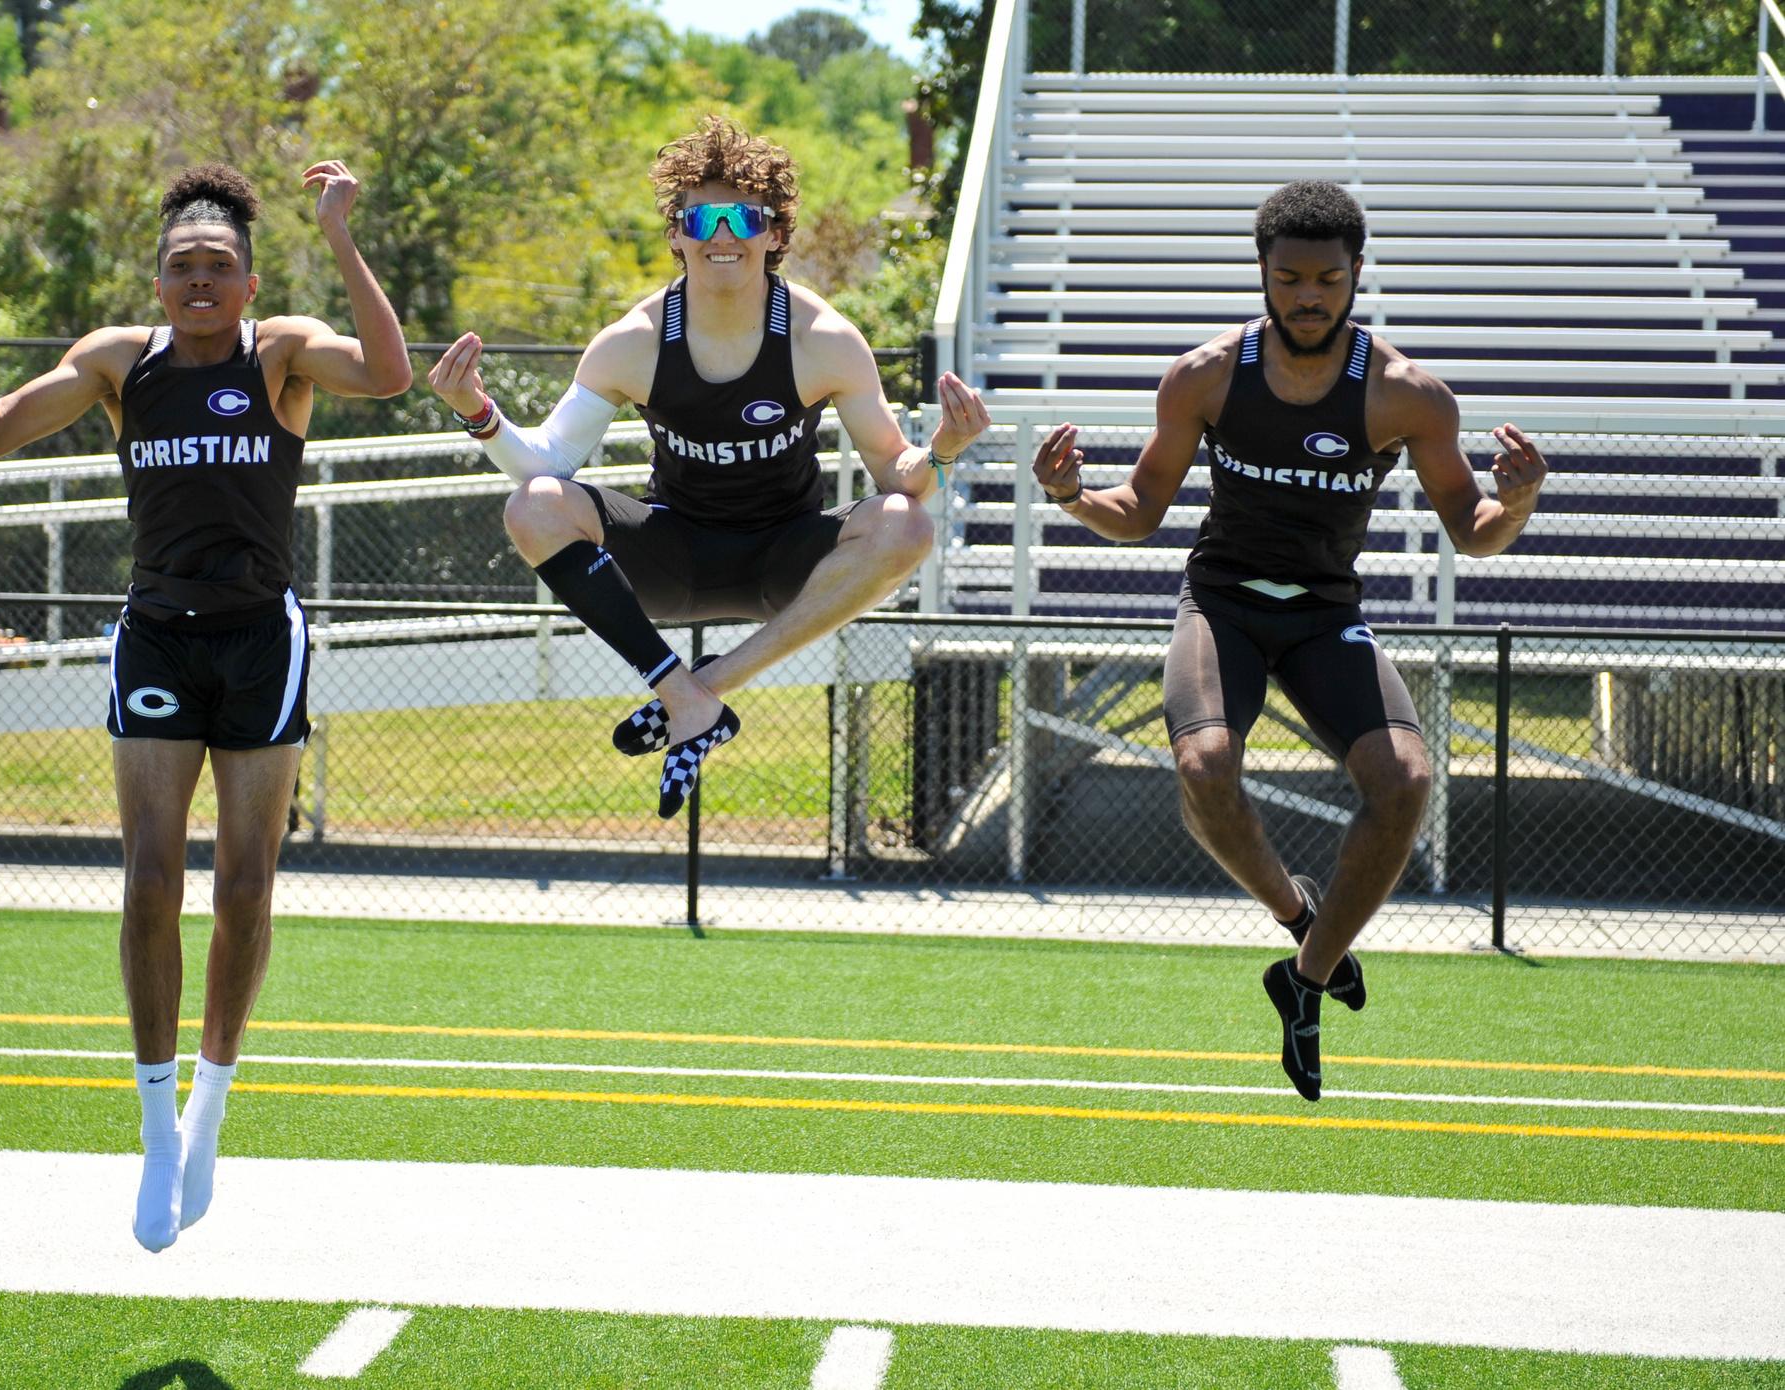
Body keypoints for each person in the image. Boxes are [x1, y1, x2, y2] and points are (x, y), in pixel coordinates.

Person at [0, 161, 411, 1248]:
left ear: (248, 284)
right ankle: (153, 1126)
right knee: (150, 879)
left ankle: (208, 1113)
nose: (199, 280)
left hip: (260, 639)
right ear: (158, 283)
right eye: (181, 266)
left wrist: (340, 234)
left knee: (244, 884)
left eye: (218, 266)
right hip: (157, 633)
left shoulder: (279, 352)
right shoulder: (119, 361)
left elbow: (387, 375)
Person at [1032, 180, 1546, 1101]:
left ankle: (1303, 980)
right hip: (1221, 606)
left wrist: (1516, 504)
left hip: (1323, 615)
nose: (1308, 296)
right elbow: (1139, 510)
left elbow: (1472, 532)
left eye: (1327, 280)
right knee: (1203, 767)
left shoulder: (1407, 395)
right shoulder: (1203, 377)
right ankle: (1297, 914)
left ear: (1357, 274)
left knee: (1405, 782)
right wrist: (1071, 496)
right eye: (1289, 278)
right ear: (1262, 274)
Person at [427, 115, 989, 817]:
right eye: (703, 219)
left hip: (787, 565)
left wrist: (943, 451)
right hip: (673, 562)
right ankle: (681, 693)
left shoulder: (824, 340)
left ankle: (701, 694)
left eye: (744, 217)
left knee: (907, 525)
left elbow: (899, 480)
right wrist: (477, 411)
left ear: (774, 234)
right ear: (676, 234)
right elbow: (545, 465)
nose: (723, 235)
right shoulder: (632, 341)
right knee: (533, 505)